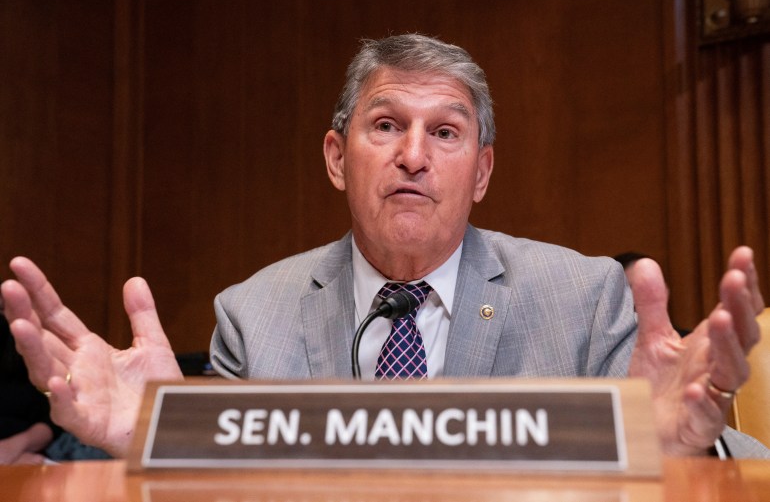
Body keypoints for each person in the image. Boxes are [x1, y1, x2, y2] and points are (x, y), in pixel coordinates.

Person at [1, 34, 767, 461]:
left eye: (445, 132)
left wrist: (682, 451)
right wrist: (157, 440)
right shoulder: (253, 313)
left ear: (482, 171)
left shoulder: (584, 294)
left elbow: (722, 457)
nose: (413, 155)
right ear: (337, 157)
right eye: (385, 125)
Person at [0, 289, 58, 464]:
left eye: (2, 309)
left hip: (27, 457)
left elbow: (51, 422)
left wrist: (13, 448)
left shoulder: (27, 361)